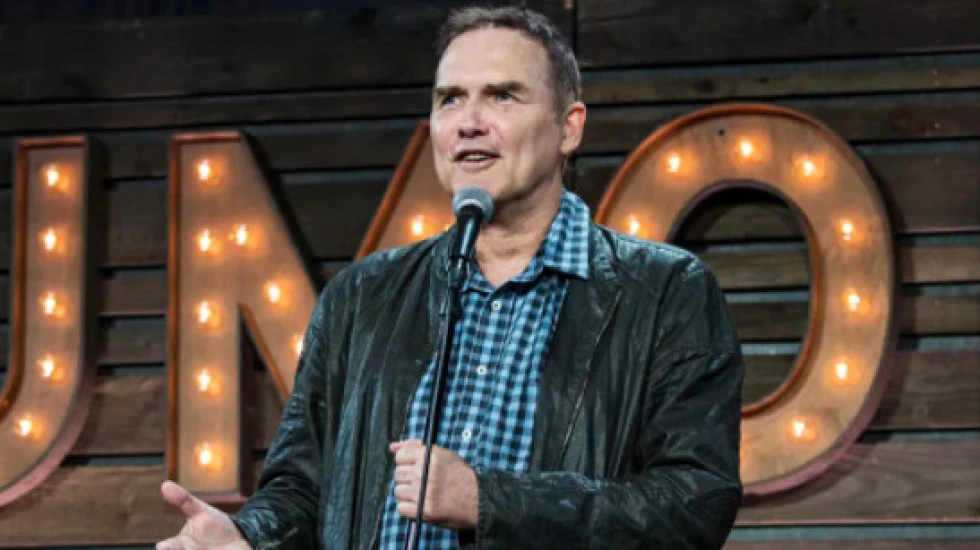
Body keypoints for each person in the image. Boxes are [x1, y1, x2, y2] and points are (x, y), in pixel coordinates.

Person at [156, 6, 744, 550]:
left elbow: (695, 503)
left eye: (502, 96)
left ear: (569, 128)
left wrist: (491, 502)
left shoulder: (666, 292)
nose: (468, 123)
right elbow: (302, 489)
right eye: (450, 99)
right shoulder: (361, 297)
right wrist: (248, 537)